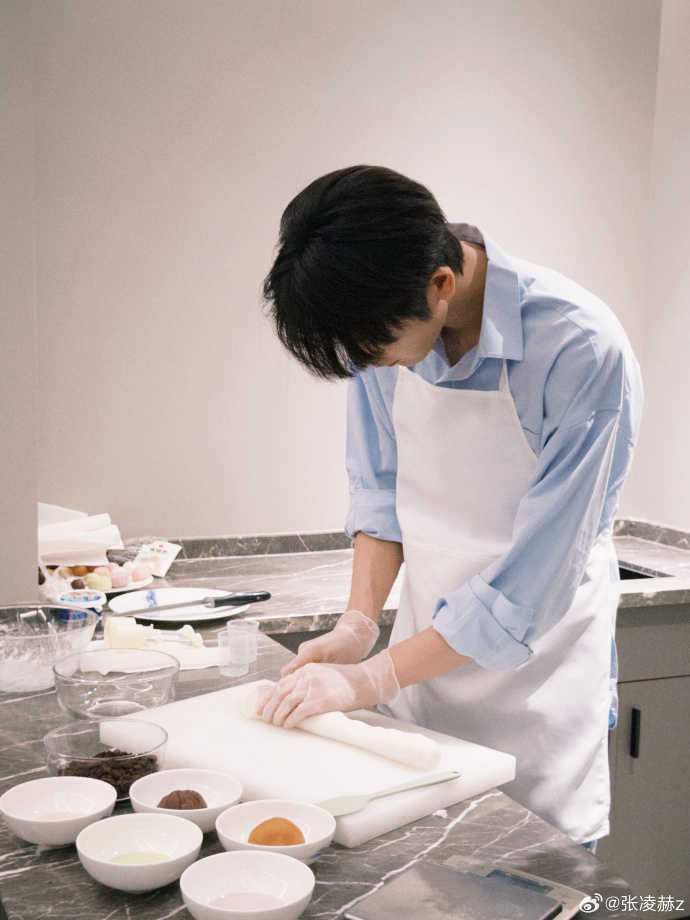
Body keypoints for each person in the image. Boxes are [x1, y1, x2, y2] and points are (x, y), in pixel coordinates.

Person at [259, 165, 643, 847]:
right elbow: (381, 493)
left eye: (373, 351)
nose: (368, 367)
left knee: (535, 873)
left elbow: (532, 586)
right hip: (424, 671)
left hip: (539, 678)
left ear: (441, 285)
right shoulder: (383, 331)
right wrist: (357, 627)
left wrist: (373, 678)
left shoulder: (578, 348)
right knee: (423, 861)